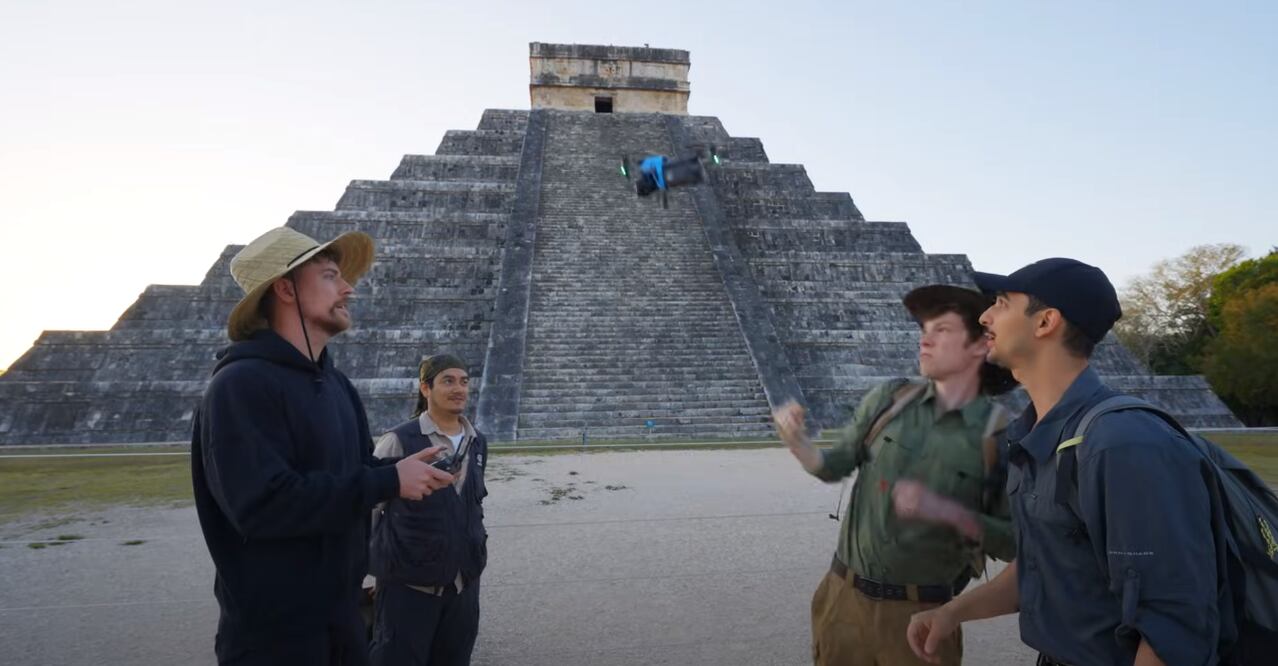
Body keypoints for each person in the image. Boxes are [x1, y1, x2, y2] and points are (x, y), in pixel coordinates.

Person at [907, 258, 1230, 666]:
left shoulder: (1124, 445)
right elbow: (1044, 566)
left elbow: (1175, 625)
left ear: (1045, 322)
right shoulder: (1036, 434)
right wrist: (953, 612)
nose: (985, 316)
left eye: (1002, 303)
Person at [191, 226, 455, 665]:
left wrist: (406, 472)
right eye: (331, 275)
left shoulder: (336, 385)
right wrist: (388, 480)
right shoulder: (240, 386)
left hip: (343, 618)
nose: (348, 288)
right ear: (285, 289)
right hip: (277, 636)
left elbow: (352, 471)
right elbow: (262, 505)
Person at [774, 284, 1019, 665]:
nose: (925, 340)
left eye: (942, 330)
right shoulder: (889, 399)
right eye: (924, 330)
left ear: (978, 346)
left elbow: (1016, 543)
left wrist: (950, 512)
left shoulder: (999, 436)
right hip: (842, 599)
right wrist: (797, 442)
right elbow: (834, 465)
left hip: (919, 616)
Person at [369, 354, 489, 666]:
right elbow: (366, 509)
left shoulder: (477, 442)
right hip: (408, 588)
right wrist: (362, 573)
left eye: (464, 381)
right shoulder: (398, 440)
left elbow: (470, 505)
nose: (459, 388)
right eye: (448, 380)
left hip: (463, 586)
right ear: (426, 388)